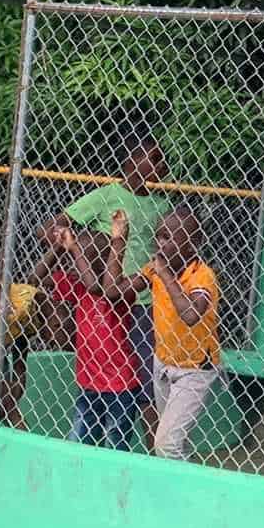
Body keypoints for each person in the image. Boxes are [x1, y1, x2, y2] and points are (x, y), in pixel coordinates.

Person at [46, 135, 170, 404]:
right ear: (133, 162)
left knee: (147, 379)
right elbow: (57, 224)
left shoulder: (163, 205)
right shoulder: (106, 196)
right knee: (113, 374)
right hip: (111, 301)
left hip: (147, 299)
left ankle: (151, 444)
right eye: (156, 159)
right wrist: (66, 240)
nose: (163, 166)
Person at [101, 206, 220, 462]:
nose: (160, 243)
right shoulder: (154, 269)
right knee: (168, 443)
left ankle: (186, 495)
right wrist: (119, 241)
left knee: (167, 446)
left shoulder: (202, 275)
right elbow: (112, 291)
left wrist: (164, 273)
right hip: (163, 363)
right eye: (158, 236)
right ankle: (176, 490)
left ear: (191, 244)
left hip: (195, 368)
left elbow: (190, 315)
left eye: (168, 238)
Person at [49, 225, 141, 451]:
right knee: (79, 444)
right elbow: (37, 276)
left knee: (115, 447)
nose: (79, 265)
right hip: (88, 384)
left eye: (87, 257)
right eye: (78, 257)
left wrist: (75, 249)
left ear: (106, 259)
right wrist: (60, 247)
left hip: (120, 386)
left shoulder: (122, 290)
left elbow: (97, 287)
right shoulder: (78, 288)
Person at [0, 245, 60, 429]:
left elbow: (21, 356)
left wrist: (17, 384)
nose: (51, 344)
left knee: (4, 403)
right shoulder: (20, 309)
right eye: (55, 340)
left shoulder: (38, 312)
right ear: (55, 325)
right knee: (6, 404)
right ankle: (29, 447)